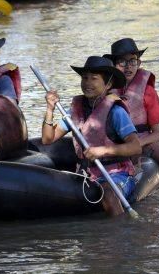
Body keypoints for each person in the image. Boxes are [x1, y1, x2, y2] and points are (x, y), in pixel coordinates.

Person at [41, 56, 141, 216]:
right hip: (87, 175)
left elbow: (135, 146)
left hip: (117, 174)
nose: (87, 83)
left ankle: (120, 236)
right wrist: (50, 109)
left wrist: (102, 151)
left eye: (94, 78)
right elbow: (48, 139)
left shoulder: (116, 112)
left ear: (108, 84)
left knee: (108, 194)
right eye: (84, 78)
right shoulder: (75, 111)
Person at [104, 38, 159, 182]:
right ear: (113, 65)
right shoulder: (105, 87)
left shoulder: (147, 89)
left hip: (143, 141)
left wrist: (138, 144)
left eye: (133, 61)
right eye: (122, 62)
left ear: (138, 63)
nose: (128, 67)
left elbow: (158, 134)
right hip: (116, 143)